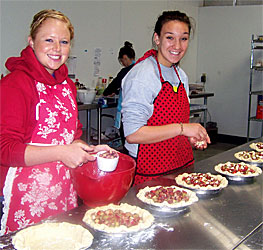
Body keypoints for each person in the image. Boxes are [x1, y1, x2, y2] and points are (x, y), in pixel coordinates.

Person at [0, 9, 112, 235]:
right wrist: (62, 152)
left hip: (63, 189)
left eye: (64, 41)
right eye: (49, 40)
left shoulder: (66, 85)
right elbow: (5, 149)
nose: (57, 48)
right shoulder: (15, 84)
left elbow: (72, 134)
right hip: (24, 195)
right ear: (31, 42)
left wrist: (84, 149)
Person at [121, 10, 211, 185]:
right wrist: (183, 129)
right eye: (170, 37)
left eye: (183, 38)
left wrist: (190, 138)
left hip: (180, 164)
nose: (177, 45)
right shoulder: (143, 75)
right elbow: (132, 133)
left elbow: (175, 124)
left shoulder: (180, 74)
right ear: (157, 38)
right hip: (150, 170)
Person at [103, 41, 136, 149]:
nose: (122, 64)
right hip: (139, 111)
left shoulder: (125, 71)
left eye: (122, 61)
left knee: (126, 141)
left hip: (127, 111)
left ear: (125, 58)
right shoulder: (140, 69)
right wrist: (117, 92)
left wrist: (109, 92)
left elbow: (110, 88)